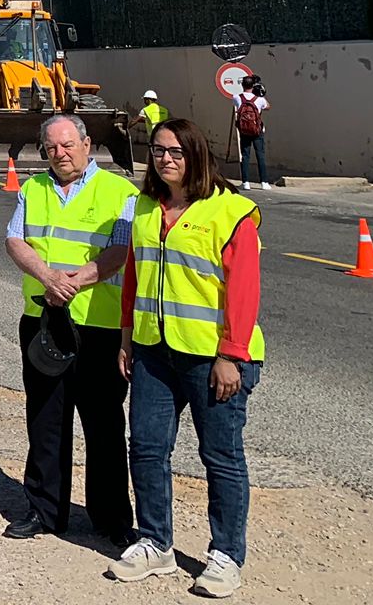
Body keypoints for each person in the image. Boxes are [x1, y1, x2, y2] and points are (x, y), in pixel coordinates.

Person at [111, 119, 266, 600]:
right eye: (158, 151)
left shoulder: (231, 211)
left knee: (220, 457)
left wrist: (231, 356)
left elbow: (243, 291)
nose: (165, 159)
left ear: (196, 154)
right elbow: (134, 277)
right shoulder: (144, 208)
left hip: (212, 357)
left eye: (176, 151)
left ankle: (226, 554)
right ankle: (155, 542)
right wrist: (126, 338)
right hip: (154, 350)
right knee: (147, 448)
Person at [4, 113, 138, 544]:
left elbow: (120, 250)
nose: (60, 154)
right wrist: (48, 279)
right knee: (45, 420)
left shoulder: (120, 191)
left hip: (98, 326)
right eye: (51, 148)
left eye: (67, 145)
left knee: (103, 426)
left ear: (86, 144)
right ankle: (44, 511)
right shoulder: (33, 188)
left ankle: (111, 518)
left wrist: (73, 282)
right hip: (44, 320)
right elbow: (15, 240)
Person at [229, 74, 273, 191]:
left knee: (245, 156)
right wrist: (260, 93)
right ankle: (264, 182)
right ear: (253, 86)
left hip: (244, 131)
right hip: (257, 131)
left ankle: (245, 182)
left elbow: (235, 105)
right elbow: (268, 106)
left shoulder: (236, 97)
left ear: (242, 85)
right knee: (260, 156)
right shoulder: (259, 99)